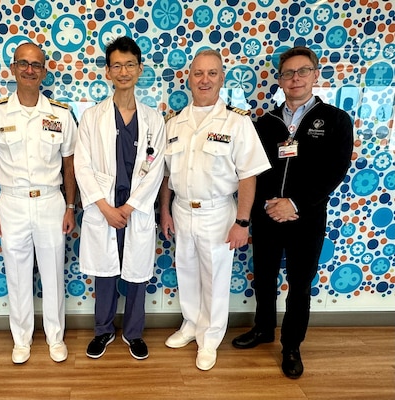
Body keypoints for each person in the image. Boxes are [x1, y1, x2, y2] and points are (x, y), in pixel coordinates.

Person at [231, 46, 353, 379]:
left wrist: (295, 203)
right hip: (268, 215)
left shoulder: (335, 121)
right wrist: (269, 205)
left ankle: (291, 346)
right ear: (280, 80)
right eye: (288, 73)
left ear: (315, 75)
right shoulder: (265, 123)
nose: (295, 78)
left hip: (306, 217)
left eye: (302, 72)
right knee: (265, 278)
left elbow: (335, 171)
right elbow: (252, 170)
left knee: (299, 284)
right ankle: (263, 329)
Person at [159, 50, 271, 371]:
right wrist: (165, 211)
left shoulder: (237, 122)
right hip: (181, 210)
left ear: (222, 78)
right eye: (198, 73)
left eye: (212, 73)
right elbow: (167, 174)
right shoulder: (175, 122)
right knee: (188, 272)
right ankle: (191, 323)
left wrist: (242, 221)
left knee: (215, 279)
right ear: (189, 78)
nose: (204, 80)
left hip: (218, 212)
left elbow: (248, 174)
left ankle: (210, 339)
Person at [0, 42, 77, 365]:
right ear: (13, 68)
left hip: (50, 203)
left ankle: (56, 337)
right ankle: (21, 339)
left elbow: (70, 164)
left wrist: (71, 207)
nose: (30, 70)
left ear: (44, 72)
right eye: (23, 64)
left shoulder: (60, 114)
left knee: (54, 272)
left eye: (36, 65)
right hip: (12, 204)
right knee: (16, 274)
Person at [74, 36, 166, 360]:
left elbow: (156, 170)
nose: (123, 71)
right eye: (117, 65)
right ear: (107, 71)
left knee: (137, 273)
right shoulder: (91, 117)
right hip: (103, 208)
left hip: (135, 208)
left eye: (129, 65)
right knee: (105, 272)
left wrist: (127, 207)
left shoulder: (154, 119)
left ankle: (134, 333)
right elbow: (80, 165)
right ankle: (103, 331)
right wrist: (104, 207)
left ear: (140, 69)